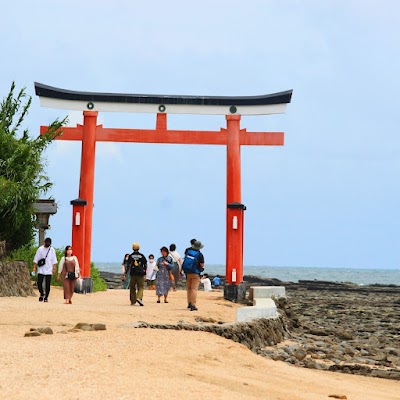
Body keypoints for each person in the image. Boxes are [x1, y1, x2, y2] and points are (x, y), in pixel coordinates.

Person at [32, 237, 58, 302]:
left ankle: (46, 297)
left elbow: (54, 260)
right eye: (47, 243)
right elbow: (36, 259)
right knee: (39, 283)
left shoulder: (52, 250)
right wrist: (34, 268)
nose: (47, 244)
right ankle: (41, 293)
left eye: (49, 243)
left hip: (49, 269)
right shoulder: (40, 249)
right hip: (41, 269)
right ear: (44, 242)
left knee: (47, 284)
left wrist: (54, 268)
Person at [182, 240, 205, 311]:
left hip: (187, 272)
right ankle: (193, 304)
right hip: (195, 273)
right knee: (194, 289)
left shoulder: (188, 251)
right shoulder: (200, 254)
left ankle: (189, 303)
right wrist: (201, 269)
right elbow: (202, 265)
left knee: (189, 288)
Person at [124, 242, 147, 306]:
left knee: (132, 287)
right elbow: (145, 264)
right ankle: (139, 297)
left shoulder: (131, 256)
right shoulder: (142, 256)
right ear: (139, 248)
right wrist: (145, 272)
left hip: (133, 274)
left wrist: (125, 273)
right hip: (140, 274)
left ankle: (133, 301)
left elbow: (128, 266)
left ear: (132, 248)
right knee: (141, 287)